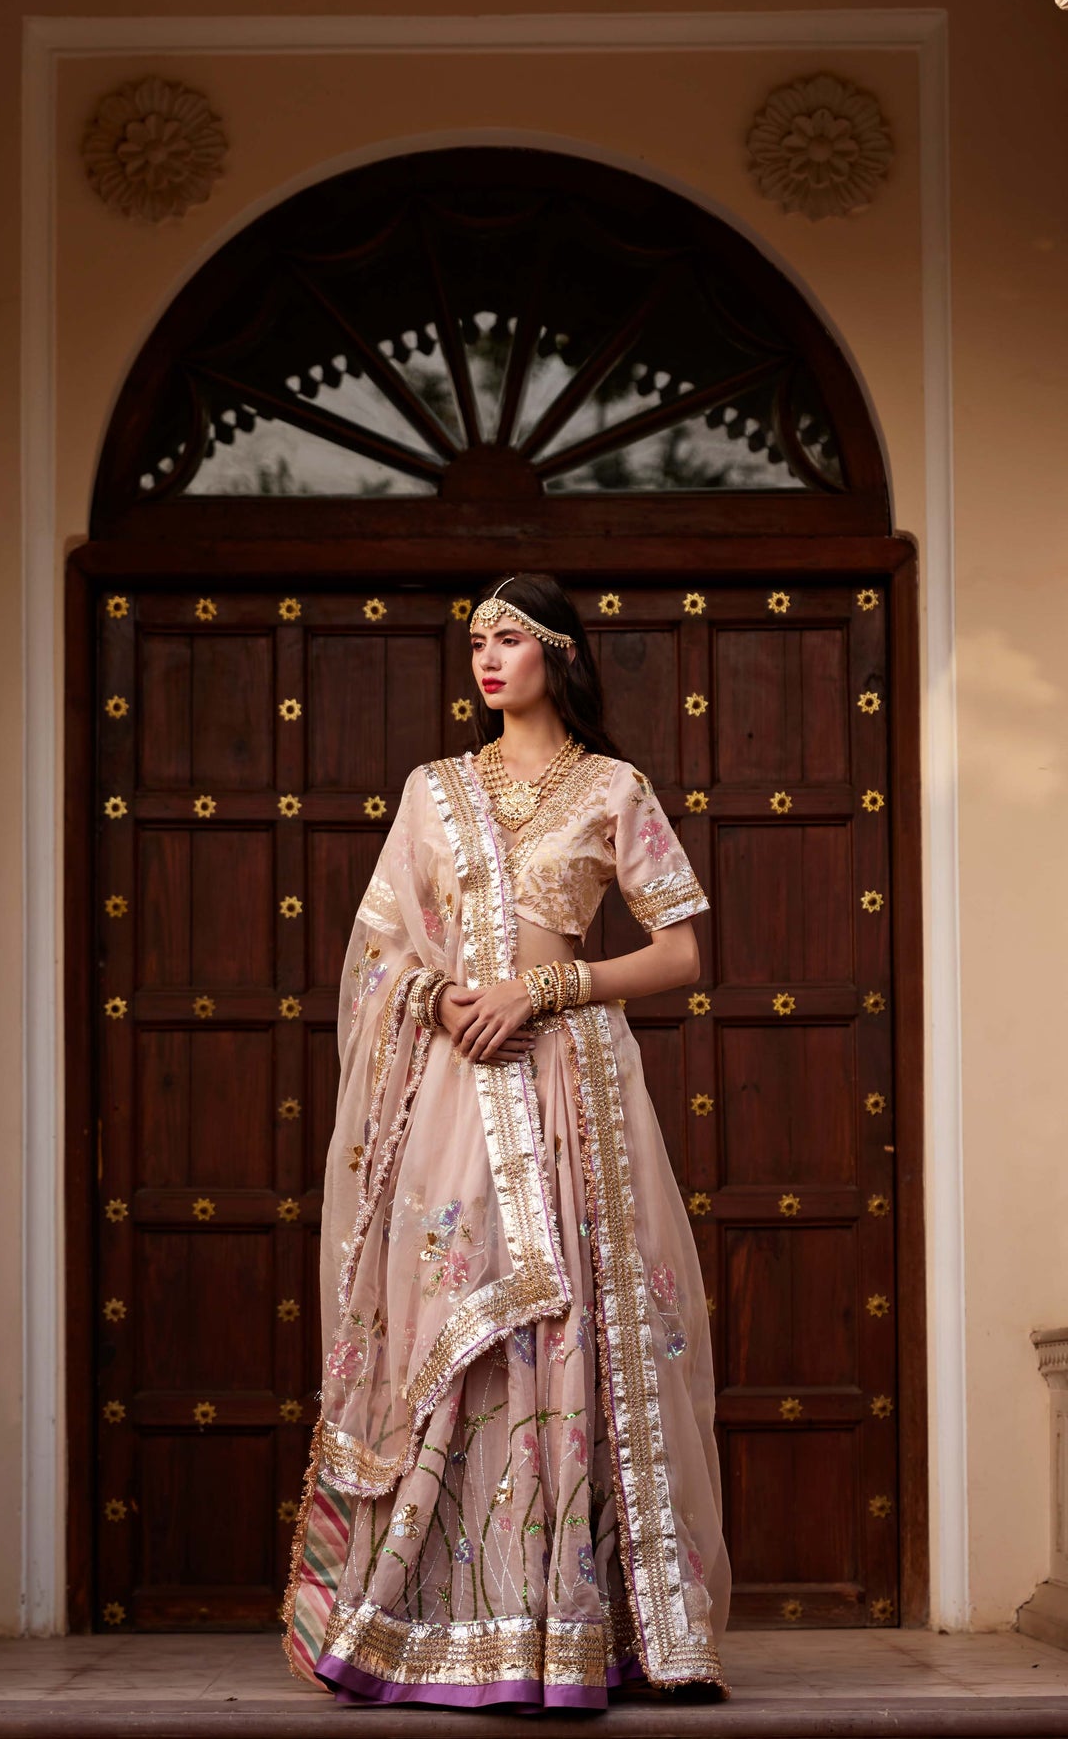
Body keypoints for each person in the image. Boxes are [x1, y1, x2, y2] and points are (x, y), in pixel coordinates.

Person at [283, 574, 730, 1710]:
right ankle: (440, 1623)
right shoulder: (431, 793)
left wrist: (550, 983)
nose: (487, 659)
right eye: (476, 641)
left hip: (572, 1087)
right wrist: (436, 1001)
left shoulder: (611, 789)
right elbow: (378, 952)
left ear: (561, 655)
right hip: (452, 1086)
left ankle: (581, 1624)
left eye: (511, 639)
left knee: (579, 1325)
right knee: (460, 1319)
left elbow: (679, 956)